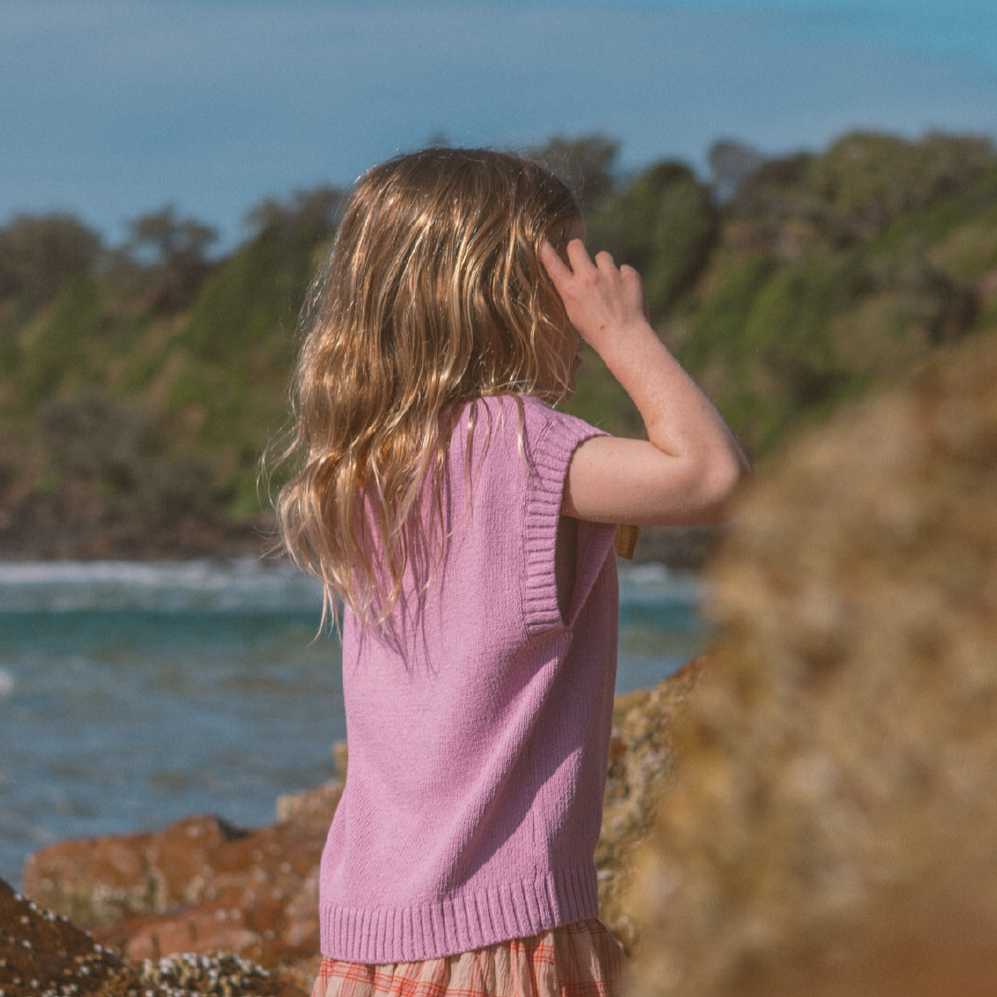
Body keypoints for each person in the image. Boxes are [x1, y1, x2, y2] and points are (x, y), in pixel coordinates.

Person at [274, 147, 750, 997]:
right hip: (500, 929)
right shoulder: (516, 445)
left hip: (368, 933)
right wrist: (624, 334)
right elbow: (713, 477)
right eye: (563, 284)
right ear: (501, 299)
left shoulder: (364, 464)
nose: (576, 311)